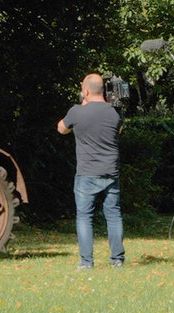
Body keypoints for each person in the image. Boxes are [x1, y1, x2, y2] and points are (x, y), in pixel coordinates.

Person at [57, 73, 125, 269]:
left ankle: (86, 262)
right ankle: (117, 260)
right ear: (103, 90)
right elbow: (118, 130)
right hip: (110, 171)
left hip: (86, 173)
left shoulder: (76, 112)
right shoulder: (114, 112)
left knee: (85, 216)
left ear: (85, 91)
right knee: (113, 215)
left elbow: (61, 128)